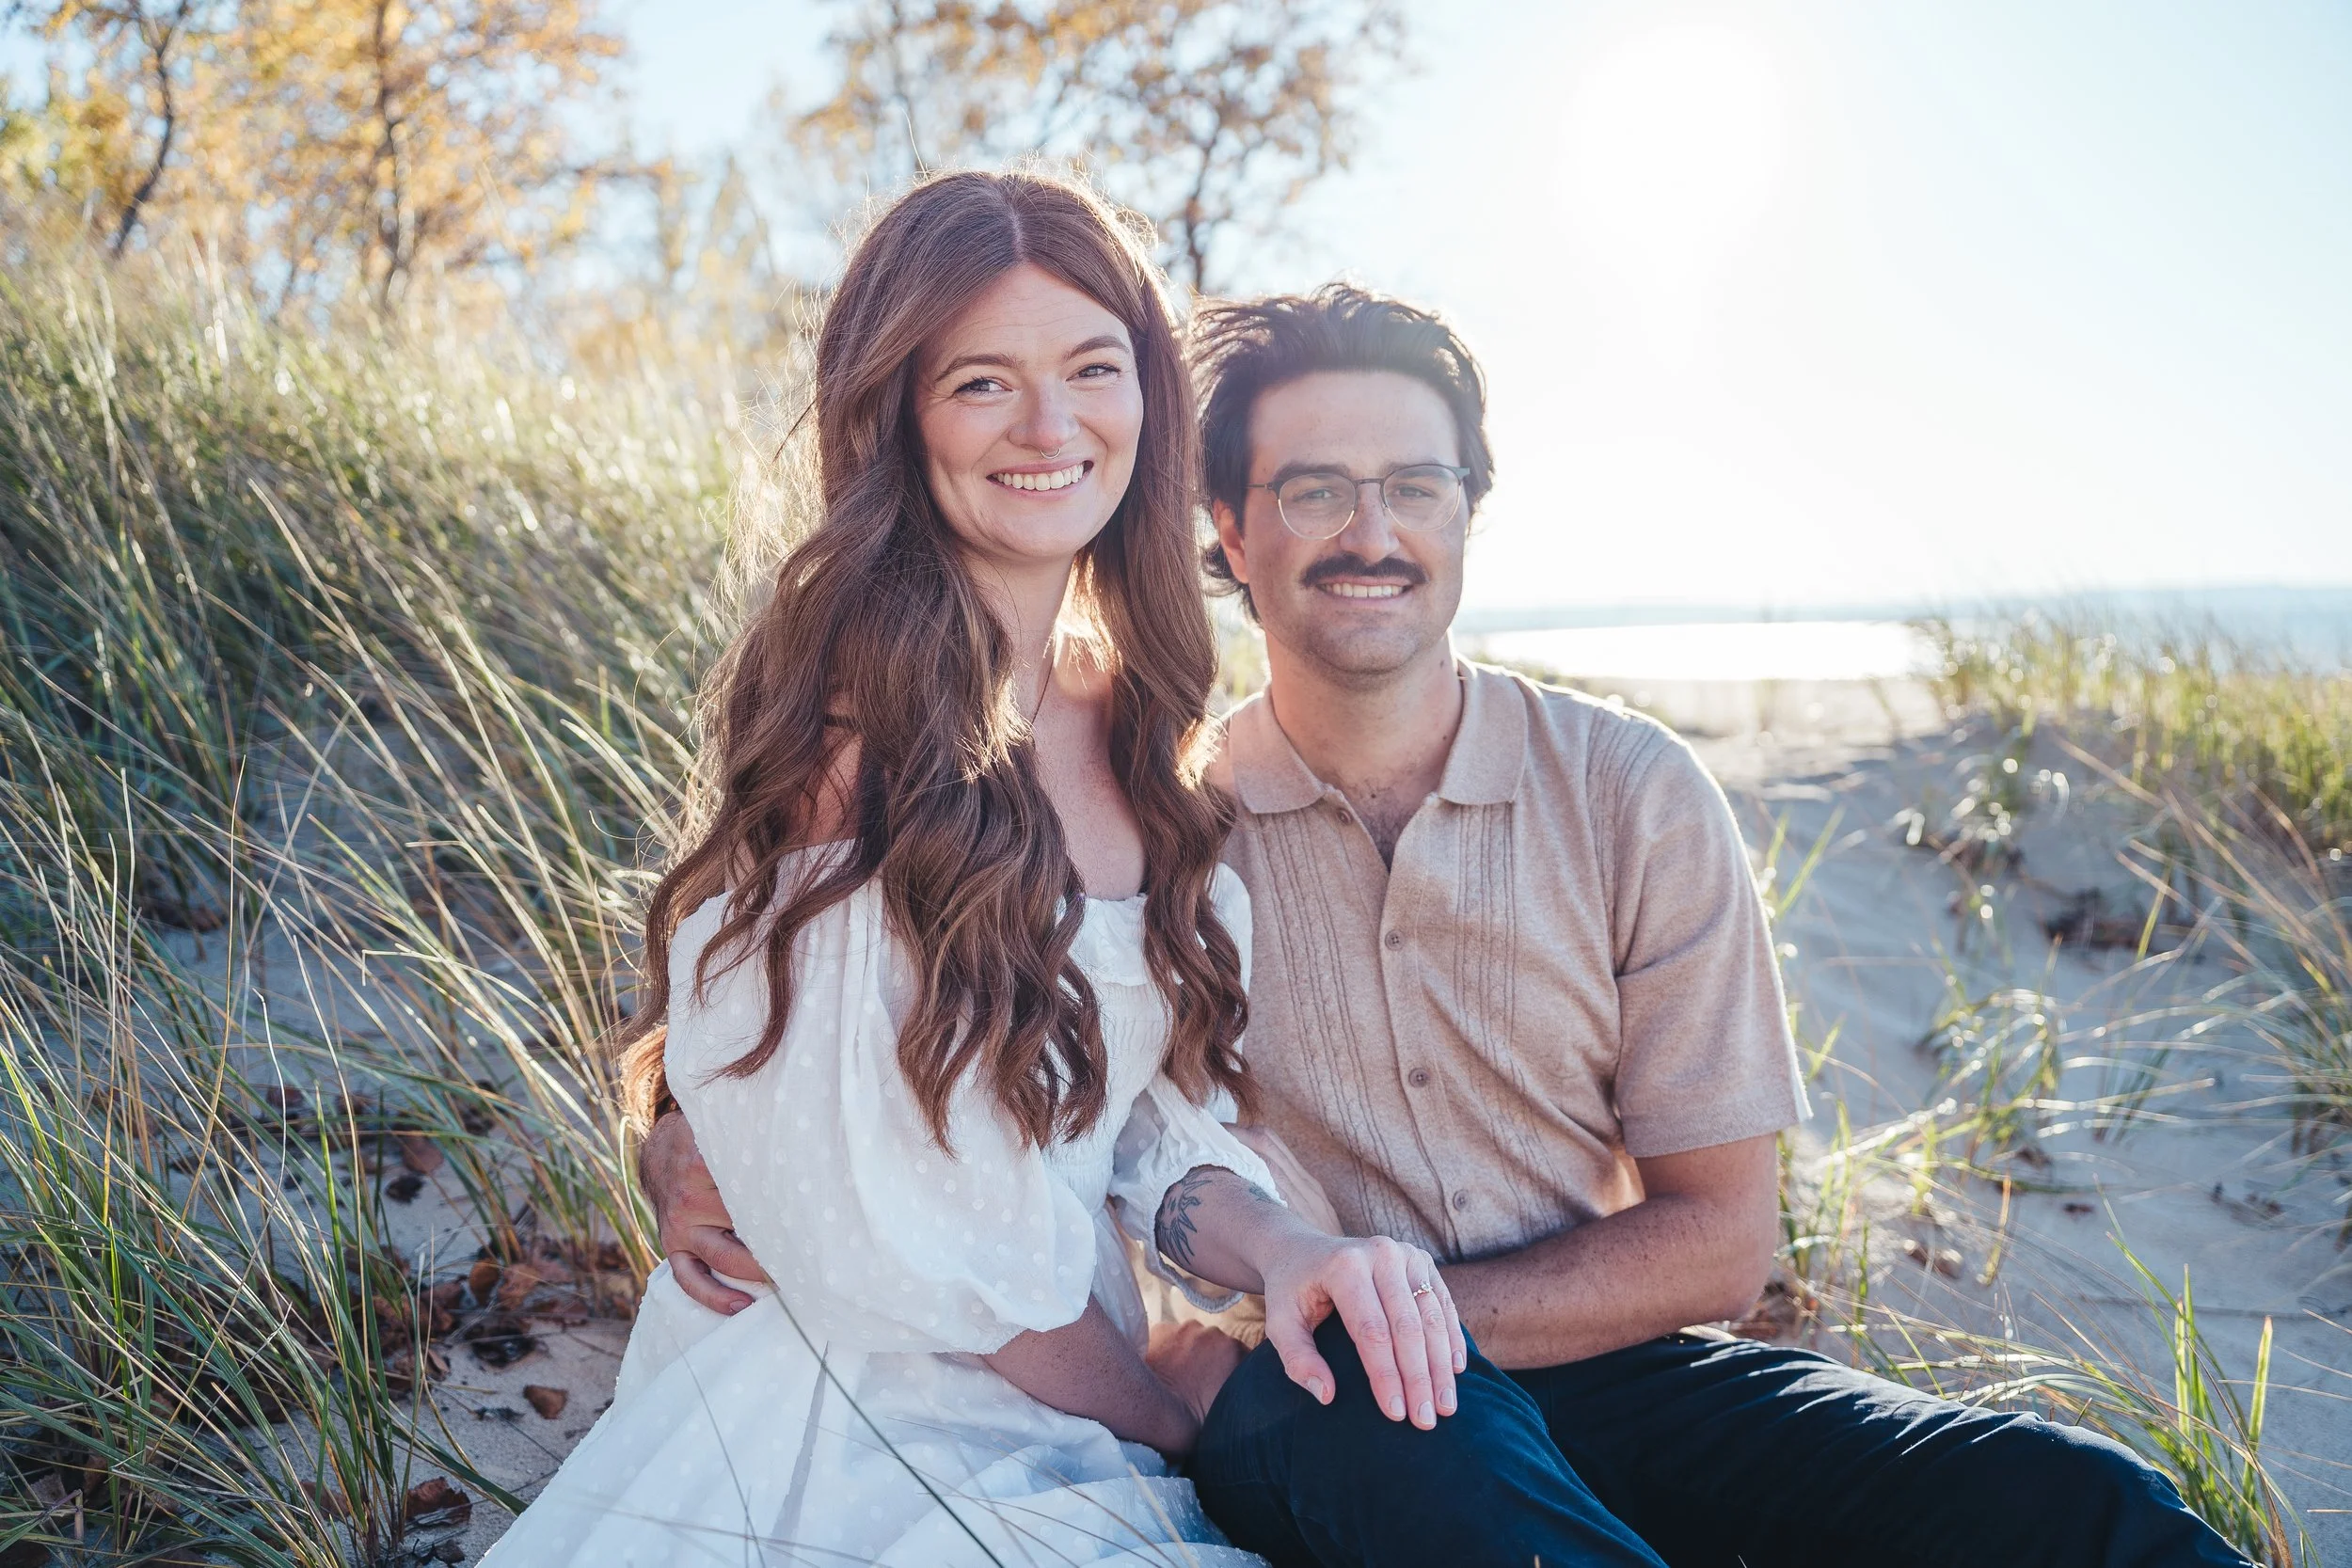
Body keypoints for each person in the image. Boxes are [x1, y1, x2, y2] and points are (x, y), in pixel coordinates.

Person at [644, 282, 2256, 1568]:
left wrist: (1388, 1294)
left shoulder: (1632, 790)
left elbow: (1722, 1236)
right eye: (1316, 488)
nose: (1371, 530)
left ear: (1473, 507)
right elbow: (890, 1020)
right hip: (1321, 1400)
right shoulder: (1153, 802)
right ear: (1228, 530)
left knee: (2064, 1502)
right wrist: (674, 1129)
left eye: (1415, 483)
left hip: (1613, 1370)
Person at [482, 184, 1465, 1568]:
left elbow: (1132, 1123)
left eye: (1091, 369)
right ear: (899, 414)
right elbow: (910, 1235)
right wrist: (1166, 1412)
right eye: (982, 381)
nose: (1050, 428)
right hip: (868, 1426)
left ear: (1149, 398)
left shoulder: (1132, 708)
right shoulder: (849, 710)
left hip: (1070, 1408)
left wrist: (1282, 1247)